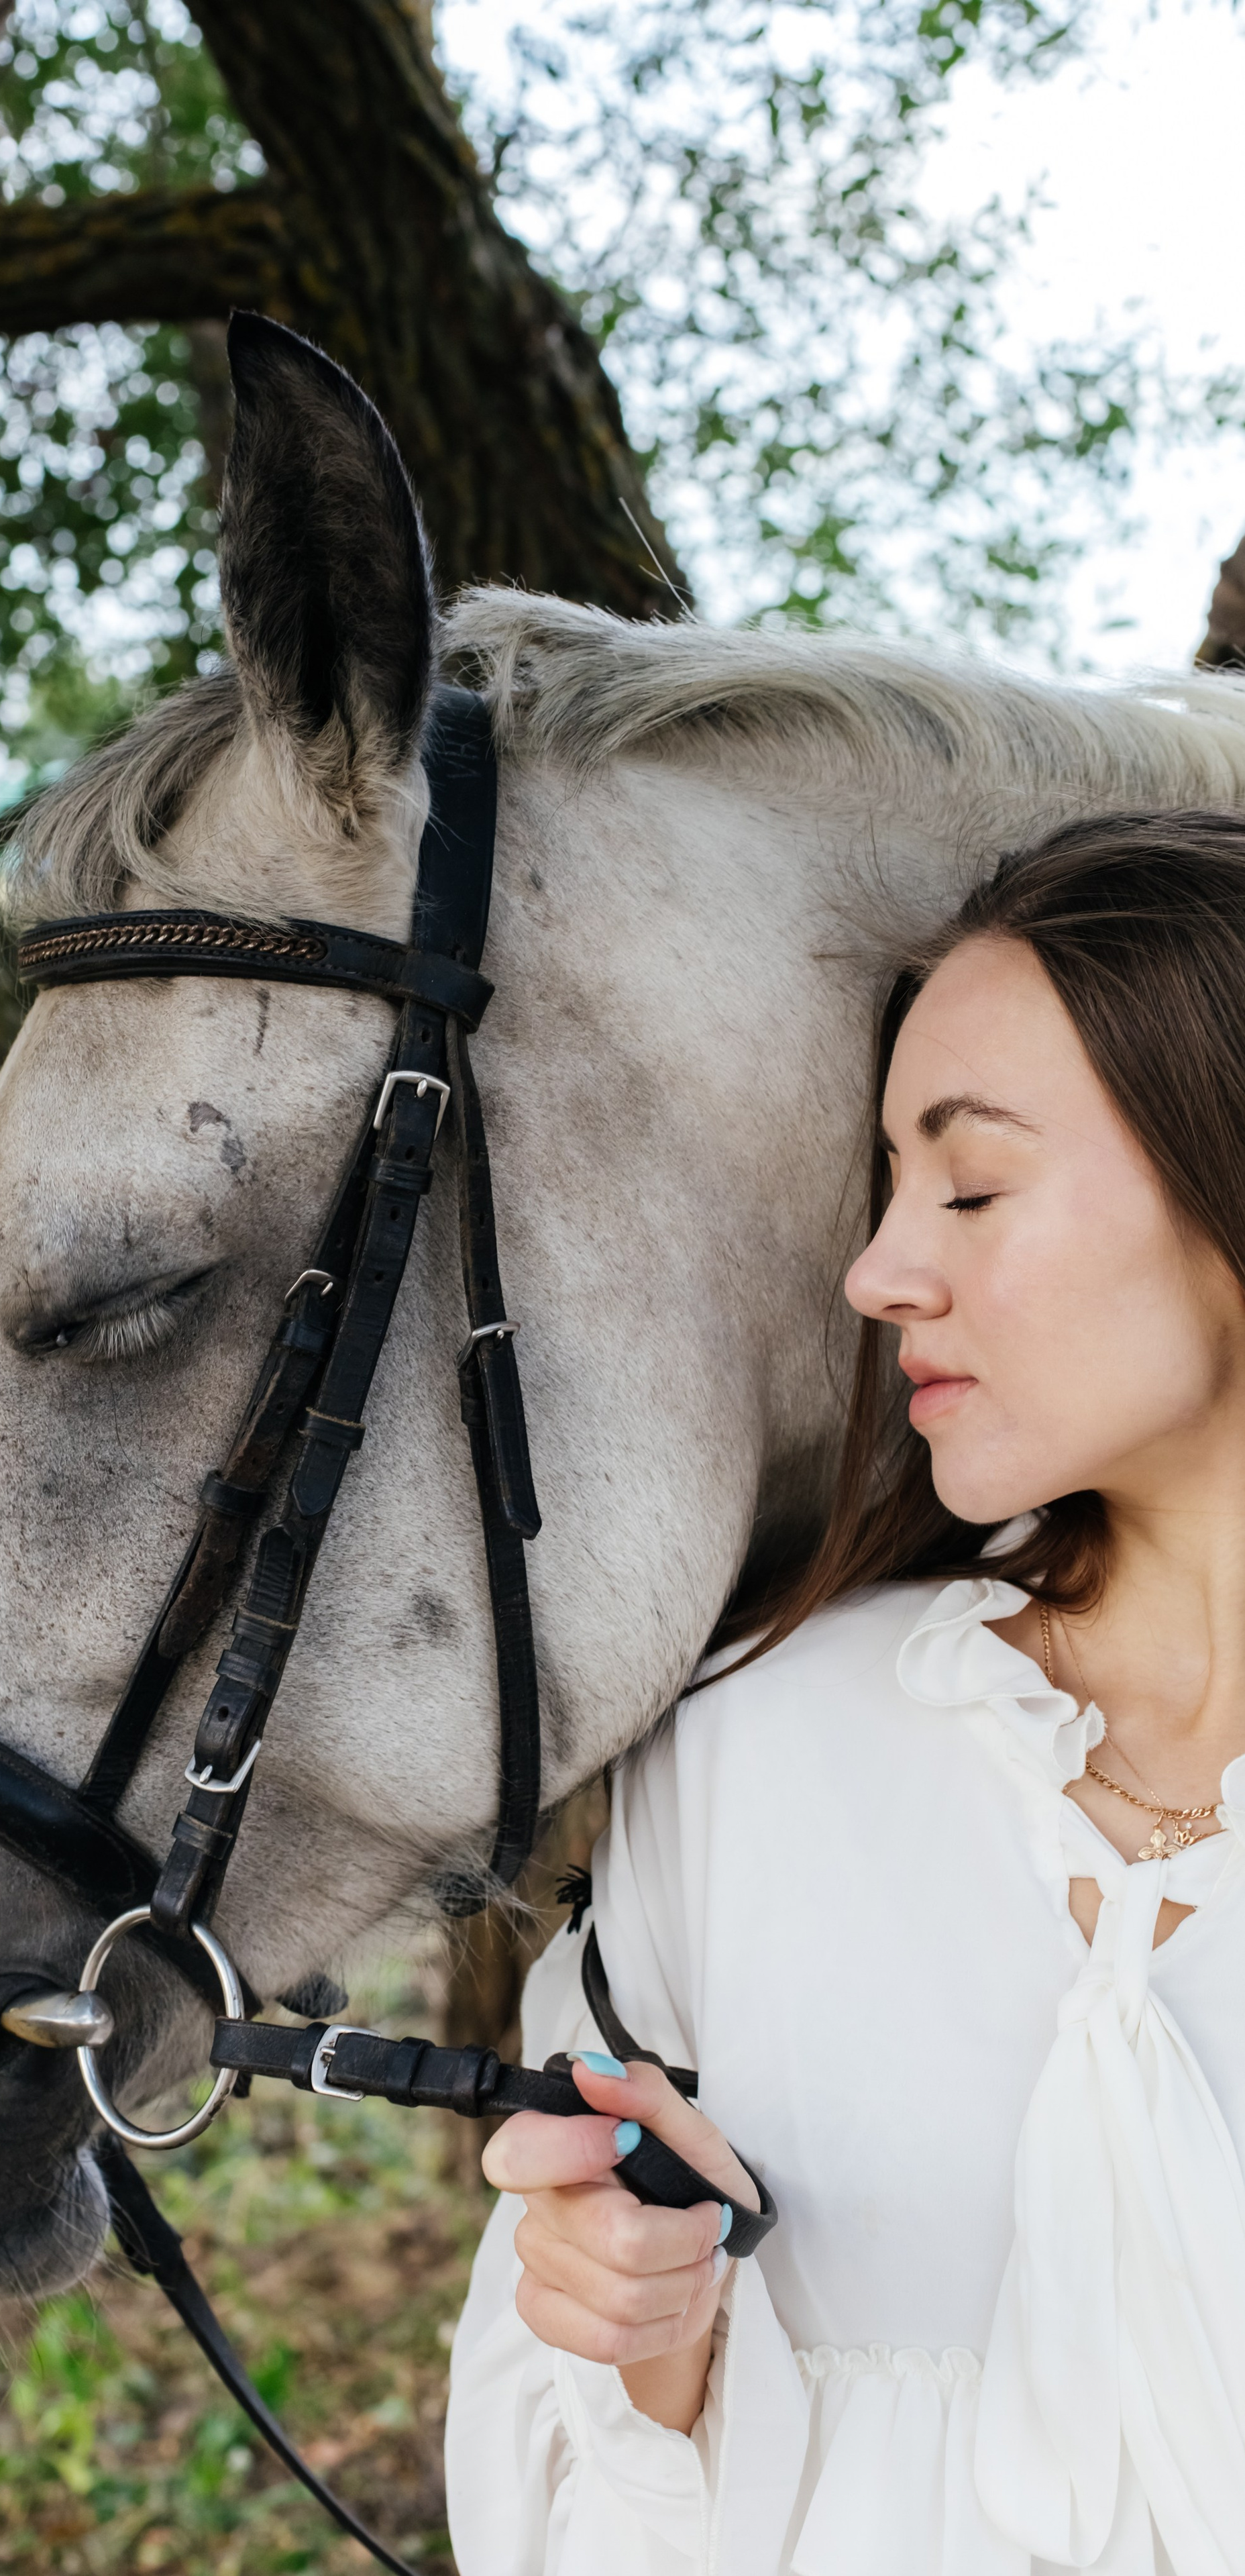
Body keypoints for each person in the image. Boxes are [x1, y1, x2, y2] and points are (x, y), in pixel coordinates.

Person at [445, 811, 1245, 2576]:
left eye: (967, 1184)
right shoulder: (748, 1757)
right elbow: (551, 2508)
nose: (879, 1273)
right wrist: (650, 2359)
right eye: (888, 1189)